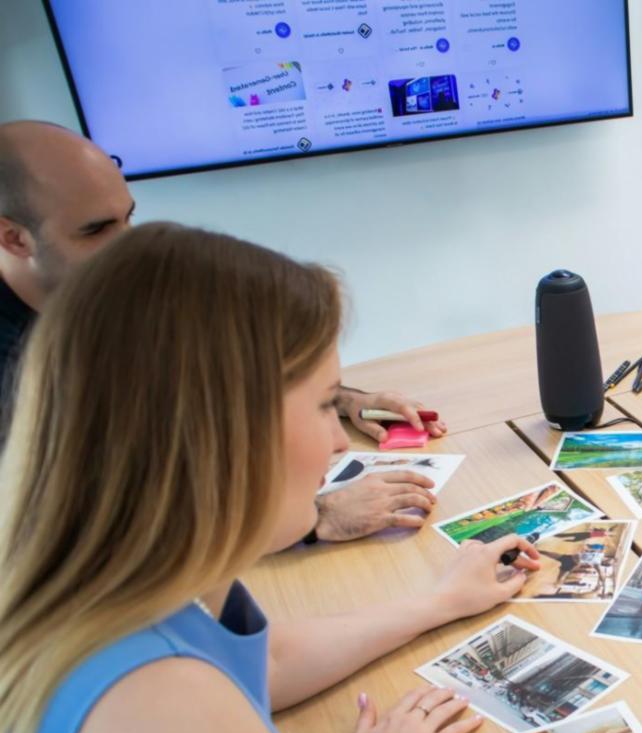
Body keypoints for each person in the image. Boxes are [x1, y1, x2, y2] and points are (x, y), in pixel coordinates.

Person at [0, 222, 542, 733]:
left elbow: (265, 658)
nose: (338, 441)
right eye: (326, 405)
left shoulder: (103, 583)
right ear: (220, 430)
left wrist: (436, 602)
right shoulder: (153, 711)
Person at [0, 119, 446, 541]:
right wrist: (315, 517)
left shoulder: (118, 287)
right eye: (96, 230)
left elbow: (209, 377)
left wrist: (344, 400)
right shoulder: (18, 375)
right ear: (13, 238)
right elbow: (105, 530)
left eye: (128, 217)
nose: (129, 244)